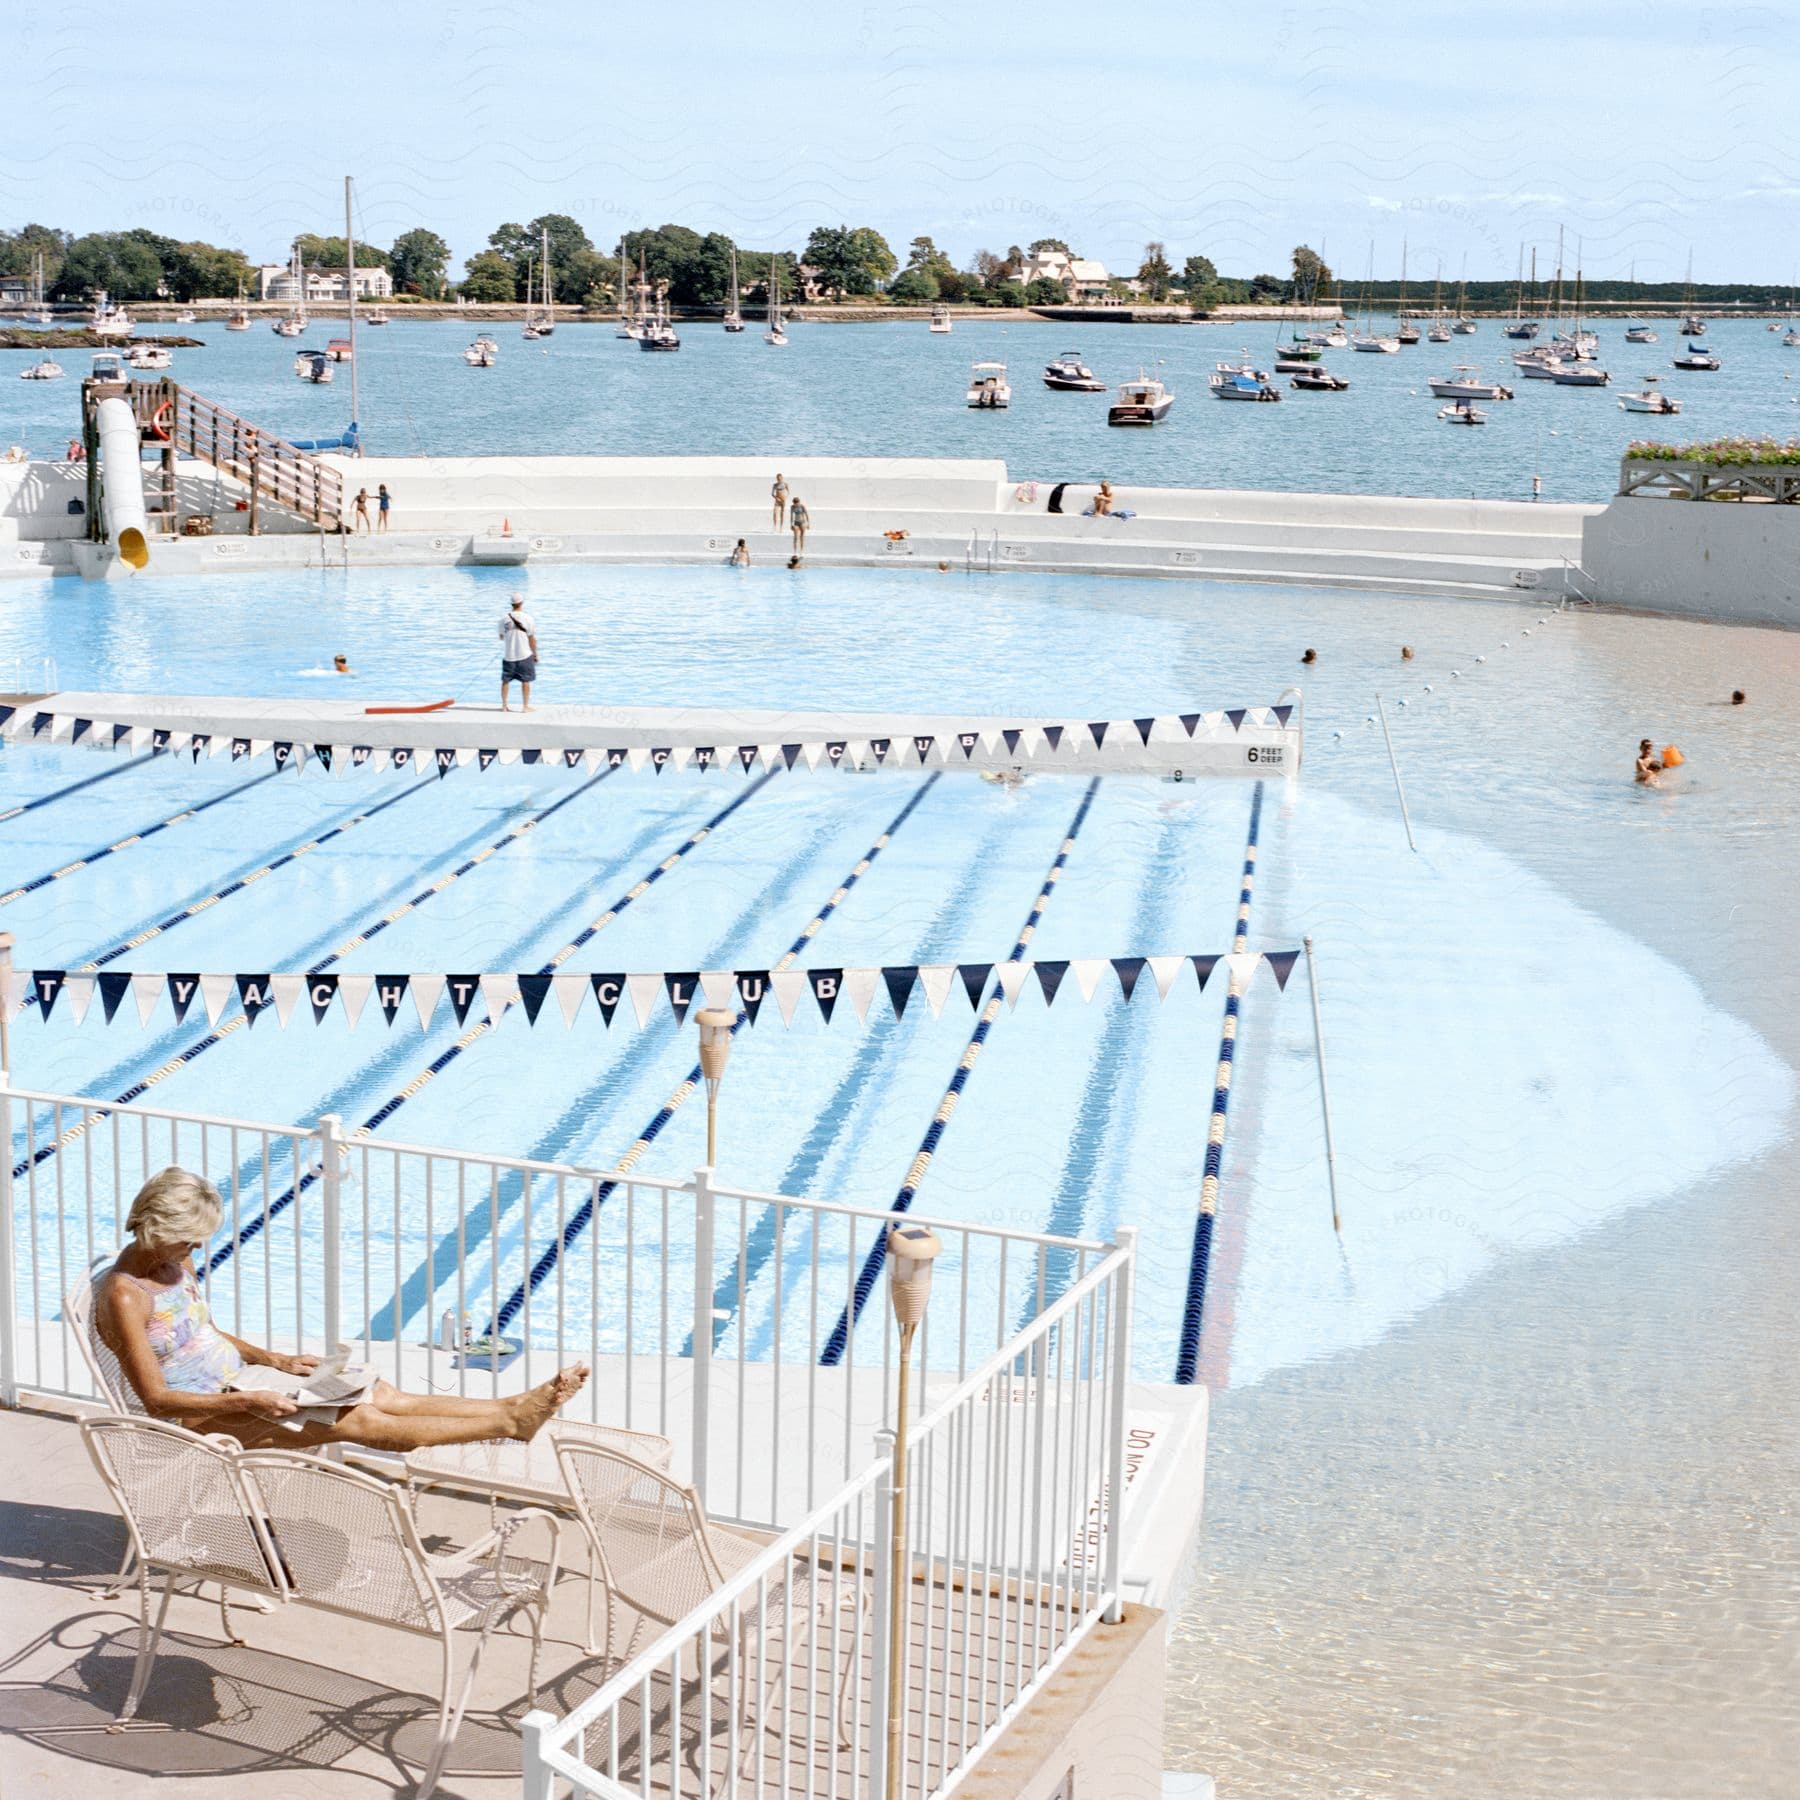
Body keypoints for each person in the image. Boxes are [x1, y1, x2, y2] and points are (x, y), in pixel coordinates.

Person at [93, 1166, 588, 1452]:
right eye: (190, 1241)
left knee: (381, 1393)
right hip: (200, 1419)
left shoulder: (172, 1267)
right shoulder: (126, 1295)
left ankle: (512, 1408)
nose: (196, 1251)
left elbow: (208, 1331)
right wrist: (245, 1402)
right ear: (157, 1229)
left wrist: (275, 1361)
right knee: (361, 1422)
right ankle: (508, 1425)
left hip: (245, 1387)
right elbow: (157, 1401)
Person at [499, 593, 539, 711]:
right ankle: (525, 706)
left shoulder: (503, 619)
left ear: (511, 604)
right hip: (524, 655)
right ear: (521, 603)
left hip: (508, 655)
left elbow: (501, 636)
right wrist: (535, 654)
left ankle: (504, 706)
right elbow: (531, 638)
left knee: (505, 681)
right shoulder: (528, 618)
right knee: (525, 681)